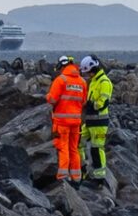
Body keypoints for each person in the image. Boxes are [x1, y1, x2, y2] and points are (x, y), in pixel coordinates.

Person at [46, 54, 87, 184]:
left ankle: (63, 177)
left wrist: (47, 96)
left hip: (62, 122)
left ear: (61, 66)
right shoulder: (82, 82)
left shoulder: (60, 80)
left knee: (63, 148)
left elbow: (52, 99)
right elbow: (84, 101)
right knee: (74, 149)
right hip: (76, 122)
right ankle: (76, 178)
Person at [79, 54, 113, 183]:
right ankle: (82, 169)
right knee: (78, 143)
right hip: (90, 121)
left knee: (96, 149)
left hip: (99, 122)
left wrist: (88, 105)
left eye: (88, 72)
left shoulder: (104, 82)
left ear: (94, 69)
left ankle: (99, 178)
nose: (87, 75)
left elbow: (102, 103)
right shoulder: (94, 81)